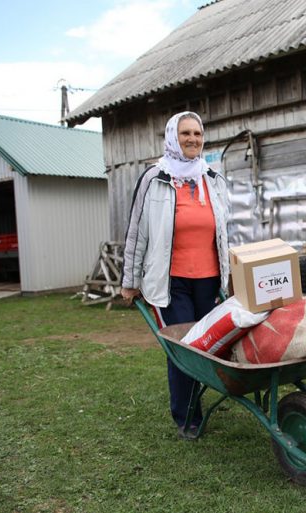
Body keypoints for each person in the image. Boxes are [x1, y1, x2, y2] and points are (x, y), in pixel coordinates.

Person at [120, 111, 230, 439]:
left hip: (209, 280)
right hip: (172, 282)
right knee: (183, 349)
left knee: (207, 346)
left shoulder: (213, 178)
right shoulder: (155, 178)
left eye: (197, 133)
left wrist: (232, 274)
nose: (193, 139)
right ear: (172, 137)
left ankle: (196, 400)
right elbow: (137, 232)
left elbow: (225, 232)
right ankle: (186, 417)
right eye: (186, 133)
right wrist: (129, 281)